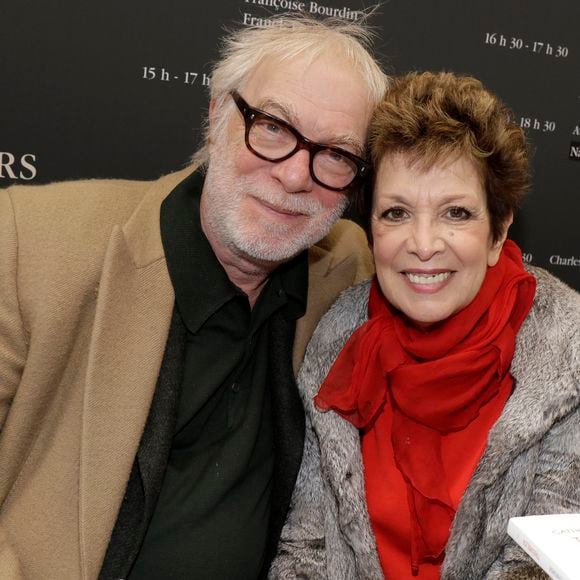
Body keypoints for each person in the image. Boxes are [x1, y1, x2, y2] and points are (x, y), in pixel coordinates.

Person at [0, 15, 388, 580]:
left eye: (335, 154)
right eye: (274, 125)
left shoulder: (347, 270)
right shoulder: (30, 245)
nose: (296, 175)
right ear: (216, 116)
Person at [270, 71, 580, 579]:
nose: (423, 243)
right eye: (396, 213)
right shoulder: (338, 339)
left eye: (455, 212)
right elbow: (307, 551)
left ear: (498, 230)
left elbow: (541, 566)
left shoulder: (567, 352)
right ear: (369, 229)